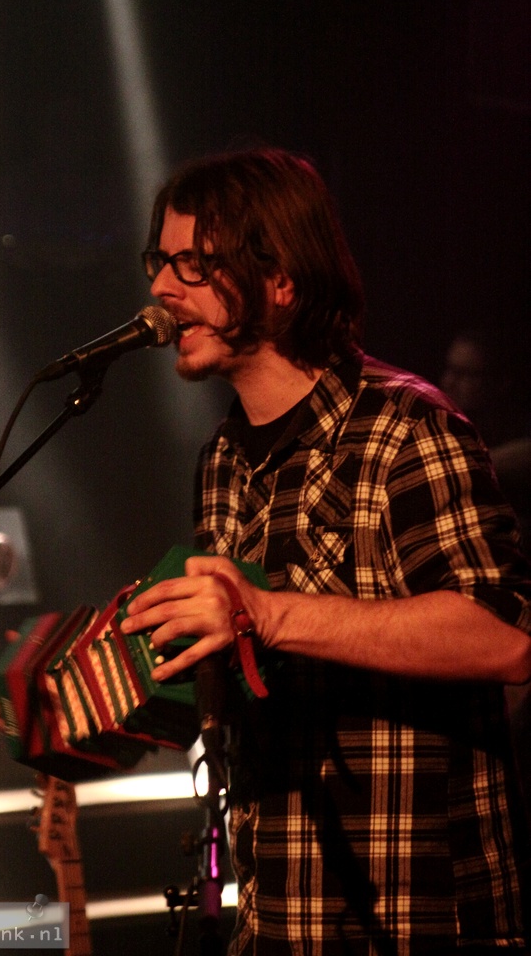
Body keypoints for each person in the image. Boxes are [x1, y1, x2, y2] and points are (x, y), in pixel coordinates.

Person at [116, 148, 531, 954]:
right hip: (278, 915)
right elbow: (253, 678)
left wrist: (265, 613)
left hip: (418, 917)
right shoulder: (222, 463)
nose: (162, 290)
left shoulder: (410, 428)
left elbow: (505, 635)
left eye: (195, 266)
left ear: (283, 280)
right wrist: (105, 698)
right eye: (158, 262)